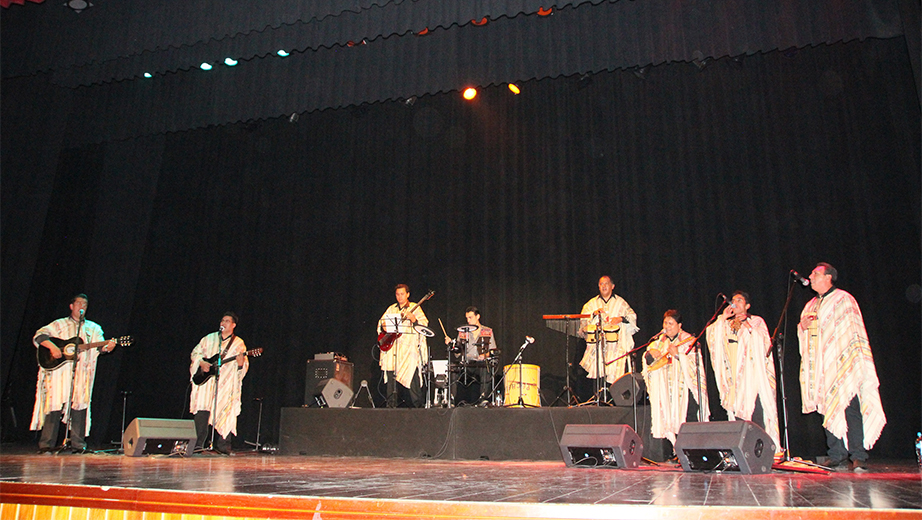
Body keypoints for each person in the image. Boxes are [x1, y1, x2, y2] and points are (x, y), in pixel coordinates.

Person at [798, 263, 886, 472]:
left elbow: (852, 330)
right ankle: (836, 454)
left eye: (815, 274)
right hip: (822, 367)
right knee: (828, 409)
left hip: (843, 363)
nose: (810, 276)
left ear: (828, 277)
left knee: (850, 408)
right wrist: (802, 327)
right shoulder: (810, 305)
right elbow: (805, 334)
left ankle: (858, 455)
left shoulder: (844, 299)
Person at [31, 293, 116, 453]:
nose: (82, 306)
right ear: (72, 306)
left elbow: (100, 348)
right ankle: (46, 445)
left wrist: (108, 347)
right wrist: (53, 347)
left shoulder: (93, 328)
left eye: (85, 304)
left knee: (79, 406)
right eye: (79, 303)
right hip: (59, 372)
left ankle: (78, 444)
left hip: (82, 374)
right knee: (54, 407)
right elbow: (40, 335)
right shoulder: (59, 325)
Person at [706, 291, 781, 451]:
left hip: (753, 378)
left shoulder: (756, 321)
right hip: (734, 378)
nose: (734, 303)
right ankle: (744, 451)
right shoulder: (725, 324)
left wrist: (747, 326)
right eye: (732, 300)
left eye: (739, 300)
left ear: (747, 306)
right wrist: (722, 319)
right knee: (738, 415)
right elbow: (711, 337)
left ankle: (763, 450)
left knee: (756, 414)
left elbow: (764, 342)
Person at [642, 310, 709, 447]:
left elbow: (695, 364)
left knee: (686, 417)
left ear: (679, 325)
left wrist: (679, 355)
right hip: (666, 390)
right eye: (665, 323)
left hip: (684, 390)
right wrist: (649, 355)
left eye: (671, 323)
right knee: (667, 417)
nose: (667, 326)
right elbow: (647, 364)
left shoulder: (688, 341)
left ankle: (690, 449)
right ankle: (674, 449)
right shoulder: (658, 342)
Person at [189, 312, 248, 454]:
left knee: (226, 412)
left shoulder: (238, 343)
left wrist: (240, 365)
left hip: (226, 384)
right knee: (202, 411)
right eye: (222, 320)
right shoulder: (208, 339)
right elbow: (195, 353)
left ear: (233, 325)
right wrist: (202, 362)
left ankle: (223, 446)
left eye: (227, 321)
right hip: (206, 383)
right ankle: (197, 445)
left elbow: (243, 366)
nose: (223, 323)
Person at [578, 276, 639, 385]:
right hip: (597, 346)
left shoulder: (620, 302)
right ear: (598, 286)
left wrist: (621, 318)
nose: (604, 286)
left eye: (606, 283)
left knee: (614, 374)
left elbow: (632, 316)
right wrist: (593, 315)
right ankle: (599, 396)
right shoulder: (591, 304)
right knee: (598, 374)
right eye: (601, 284)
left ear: (612, 286)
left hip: (616, 346)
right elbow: (583, 321)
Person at [378, 284, 429, 408]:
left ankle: (418, 407)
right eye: (397, 294)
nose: (400, 297)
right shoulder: (391, 308)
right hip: (393, 347)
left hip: (408, 348)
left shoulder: (414, 307)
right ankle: (391, 406)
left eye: (402, 294)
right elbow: (381, 323)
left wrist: (414, 319)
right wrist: (384, 326)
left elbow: (424, 325)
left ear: (408, 294)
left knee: (411, 376)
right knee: (391, 376)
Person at [444, 306, 498, 405]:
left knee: (485, 367)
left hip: (479, 362)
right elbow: (458, 351)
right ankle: (452, 398)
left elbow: (492, 350)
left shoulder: (488, 331)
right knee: (453, 368)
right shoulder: (463, 332)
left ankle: (483, 397)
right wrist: (451, 344)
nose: (468, 320)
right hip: (466, 363)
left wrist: (485, 355)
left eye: (470, 317)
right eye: (467, 318)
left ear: (478, 316)